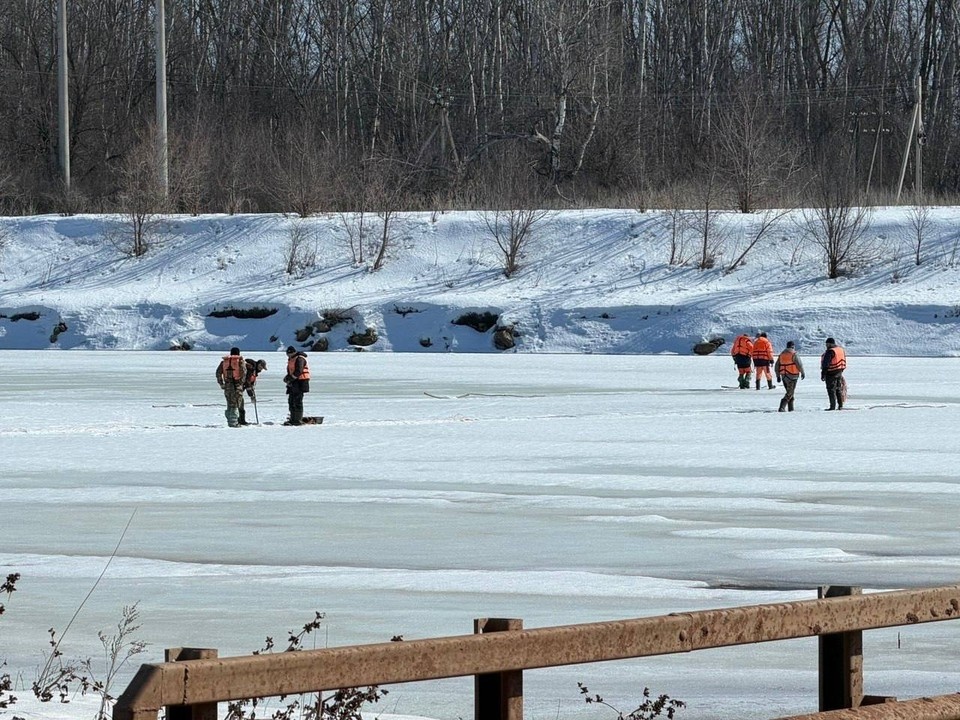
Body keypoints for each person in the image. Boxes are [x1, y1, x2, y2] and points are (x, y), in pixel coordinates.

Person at [215, 347, 246, 427]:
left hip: (227, 386)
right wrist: (240, 383)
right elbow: (243, 372)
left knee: (229, 404)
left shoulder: (224, 362)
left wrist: (221, 383)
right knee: (235, 404)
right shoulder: (240, 362)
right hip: (237, 386)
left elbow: (218, 373)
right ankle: (233, 423)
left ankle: (230, 421)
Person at [283, 345, 311, 426]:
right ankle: (292, 419)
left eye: (290, 353)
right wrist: (287, 378)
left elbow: (299, 370)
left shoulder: (300, 358)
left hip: (301, 382)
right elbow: (291, 371)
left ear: (294, 352)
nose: (289, 355)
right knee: (291, 400)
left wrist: (290, 378)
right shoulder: (291, 359)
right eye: (287, 354)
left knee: (297, 401)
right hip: (294, 382)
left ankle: (297, 420)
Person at [774, 341, 805, 412]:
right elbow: (799, 364)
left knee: (790, 393)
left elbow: (777, 366)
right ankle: (782, 406)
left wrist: (778, 376)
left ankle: (791, 409)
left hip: (784, 376)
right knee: (790, 393)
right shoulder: (794, 354)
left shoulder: (782, 354)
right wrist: (802, 373)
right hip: (793, 376)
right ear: (793, 346)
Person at [820, 337, 847, 411]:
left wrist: (823, 374)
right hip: (839, 371)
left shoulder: (830, 351)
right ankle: (840, 405)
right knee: (838, 389)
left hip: (831, 373)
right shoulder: (840, 350)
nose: (826, 345)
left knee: (831, 390)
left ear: (830, 344)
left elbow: (826, 364)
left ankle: (832, 406)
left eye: (827, 344)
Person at [238, 358, 267, 426]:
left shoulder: (254, 370)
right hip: (238, 387)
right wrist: (251, 396)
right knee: (239, 403)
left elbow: (250, 384)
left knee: (240, 402)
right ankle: (239, 420)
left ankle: (241, 420)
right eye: (261, 368)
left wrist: (252, 393)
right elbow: (247, 383)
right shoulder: (251, 369)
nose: (261, 370)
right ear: (259, 365)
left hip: (240, 387)